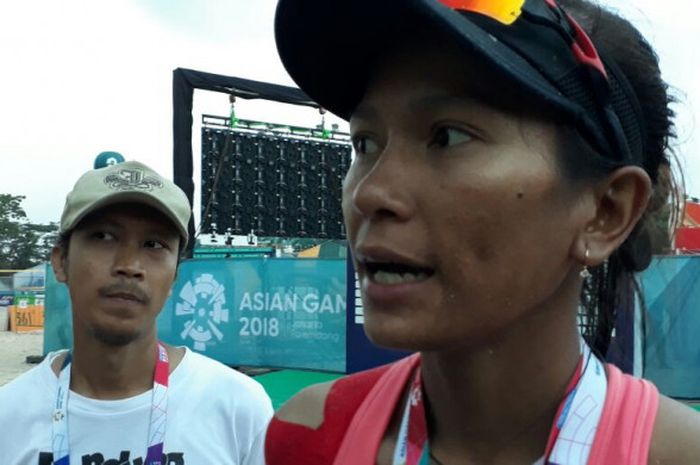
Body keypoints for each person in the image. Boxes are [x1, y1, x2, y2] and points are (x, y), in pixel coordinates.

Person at [266, 0, 700, 464]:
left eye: (448, 136)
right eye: (366, 142)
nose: (370, 193)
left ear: (605, 212)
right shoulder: (310, 436)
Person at [0, 161, 273, 465]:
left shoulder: (239, 407)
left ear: (174, 278)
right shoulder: (8, 416)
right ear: (61, 261)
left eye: (154, 244)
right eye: (103, 236)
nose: (129, 265)